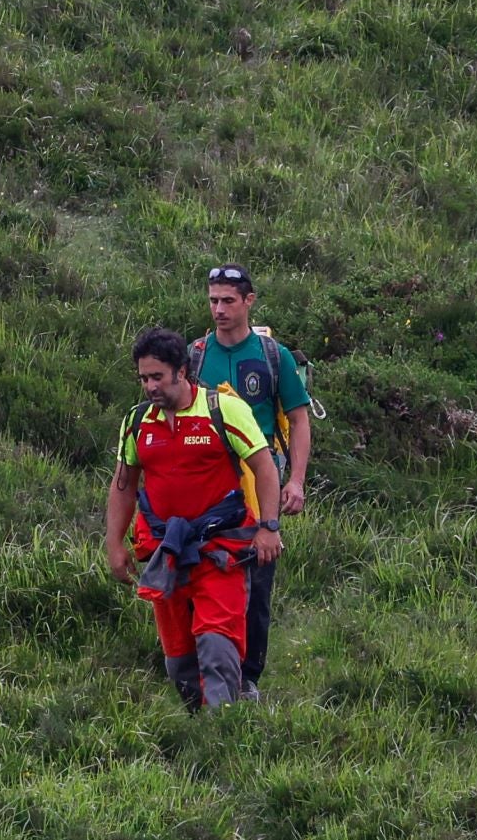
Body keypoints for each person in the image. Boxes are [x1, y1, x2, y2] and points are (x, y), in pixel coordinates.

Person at [106, 326, 282, 711]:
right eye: (143, 378)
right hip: (164, 550)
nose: (150, 386)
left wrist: (269, 527)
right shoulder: (137, 422)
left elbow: (265, 468)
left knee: (217, 642)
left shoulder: (224, 410)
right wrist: (114, 543)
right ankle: (196, 727)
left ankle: (225, 730)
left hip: (221, 549)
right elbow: (123, 485)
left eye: (157, 377)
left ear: (181, 372)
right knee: (179, 659)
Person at [191, 264, 313, 700]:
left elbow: (299, 420)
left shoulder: (271, 356)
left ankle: (248, 678)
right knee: (202, 575)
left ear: (249, 301)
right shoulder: (196, 355)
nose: (219, 309)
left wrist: (295, 480)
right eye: (212, 300)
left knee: (257, 582)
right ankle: (201, 674)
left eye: (228, 300)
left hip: (259, 482)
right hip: (207, 485)